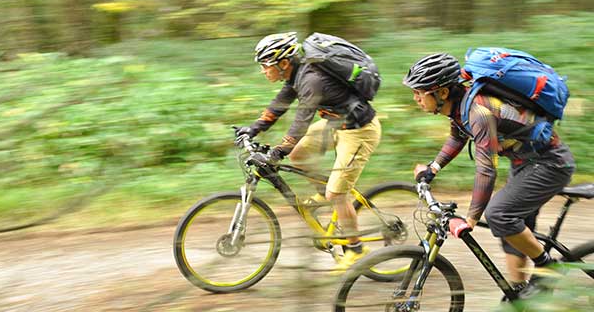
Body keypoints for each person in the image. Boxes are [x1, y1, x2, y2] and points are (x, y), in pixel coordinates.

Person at [403, 53, 575, 297]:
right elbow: (457, 136)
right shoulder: (461, 107)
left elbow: (487, 168)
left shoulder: (479, 112)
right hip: (526, 162)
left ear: (442, 93)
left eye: (420, 92)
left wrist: (471, 218)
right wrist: (434, 168)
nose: (416, 98)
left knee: (499, 214)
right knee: (509, 227)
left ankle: (549, 267)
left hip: (551, 164)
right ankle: (518, 294)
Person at [236, 32, 382, 269]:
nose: (263, 70)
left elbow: (302, 120)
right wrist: (253, 129)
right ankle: (324, 192)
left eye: (266, 65)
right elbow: (280, 104)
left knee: (337, 195)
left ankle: (356, 248)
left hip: (359, 130)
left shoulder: (311, 80)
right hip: (335, 123)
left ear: (283, 63)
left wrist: (279, 150)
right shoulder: (296, 75)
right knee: (299, 154)